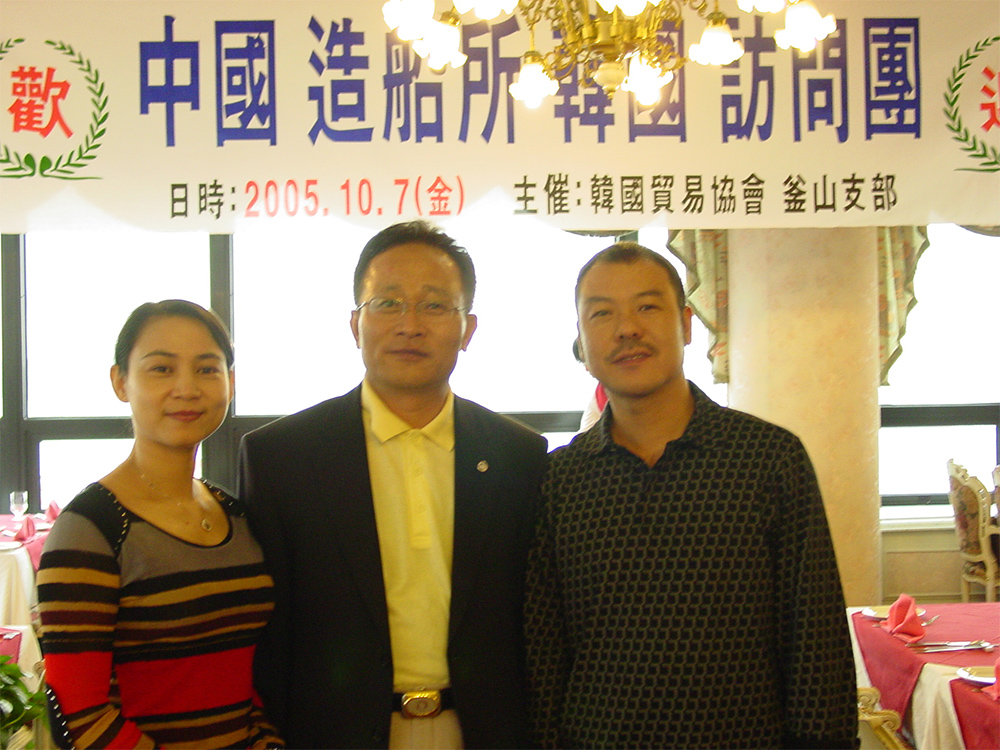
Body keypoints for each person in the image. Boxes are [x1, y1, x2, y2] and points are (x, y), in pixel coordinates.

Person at [525, 243, 858, 749]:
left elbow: (815, 637)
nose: (627, 329)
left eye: (647, 307)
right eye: (602, 314)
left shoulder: (768, 460)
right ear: (582, 343)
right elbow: (544, 652)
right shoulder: (560, 480)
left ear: (685, 324)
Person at [239, 220, 548, 749]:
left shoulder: (519, 456)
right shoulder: (282, 457)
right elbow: (271, 633)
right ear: (354, 324)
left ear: (468, 329)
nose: (410, 325)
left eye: (435, 305)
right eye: (387, 303)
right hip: (334, 735)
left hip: (483, 731)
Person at [37, 300, 282, 749]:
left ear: (230, 383)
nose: (186, 389)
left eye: (207, 369)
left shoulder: (235, 514)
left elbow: (245, 677)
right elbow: (80, 716)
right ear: (120, 382)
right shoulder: (91, 530)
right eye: (161, 369)